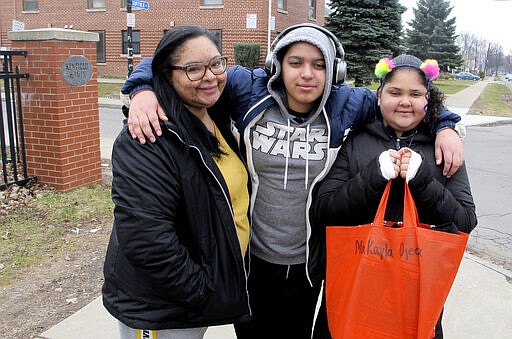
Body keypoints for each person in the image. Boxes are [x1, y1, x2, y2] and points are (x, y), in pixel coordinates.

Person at [121, 24, 464, 338]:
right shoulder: (247, 89)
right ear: (277, 66)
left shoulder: (347, 103)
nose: (307, 74)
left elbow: (402, 103)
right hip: (251, 261)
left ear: (333, 71)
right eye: (295, 62)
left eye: (318, 65)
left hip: (307, 266)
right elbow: (176, 63)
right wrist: (141, 91)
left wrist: (446, 125)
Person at [311, 54, 478, 338]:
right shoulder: (355, 140)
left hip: (415, 291)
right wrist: (373, 176)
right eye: (395, 92)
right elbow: (324, 210)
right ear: (379, 96)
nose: (405, 101)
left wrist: (423, 178)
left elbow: (464, 220)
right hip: (355, 284)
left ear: (429, 99)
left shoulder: (444, 149)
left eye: (415, 94)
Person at [102, 25, 251, 339]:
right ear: (167, 75)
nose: (210, 76)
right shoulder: (148, 136)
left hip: (195, 299)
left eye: (215, 64)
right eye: (193, 69)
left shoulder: (216, 115)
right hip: (164, 308)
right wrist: (203, 291)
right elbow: (147, 240)